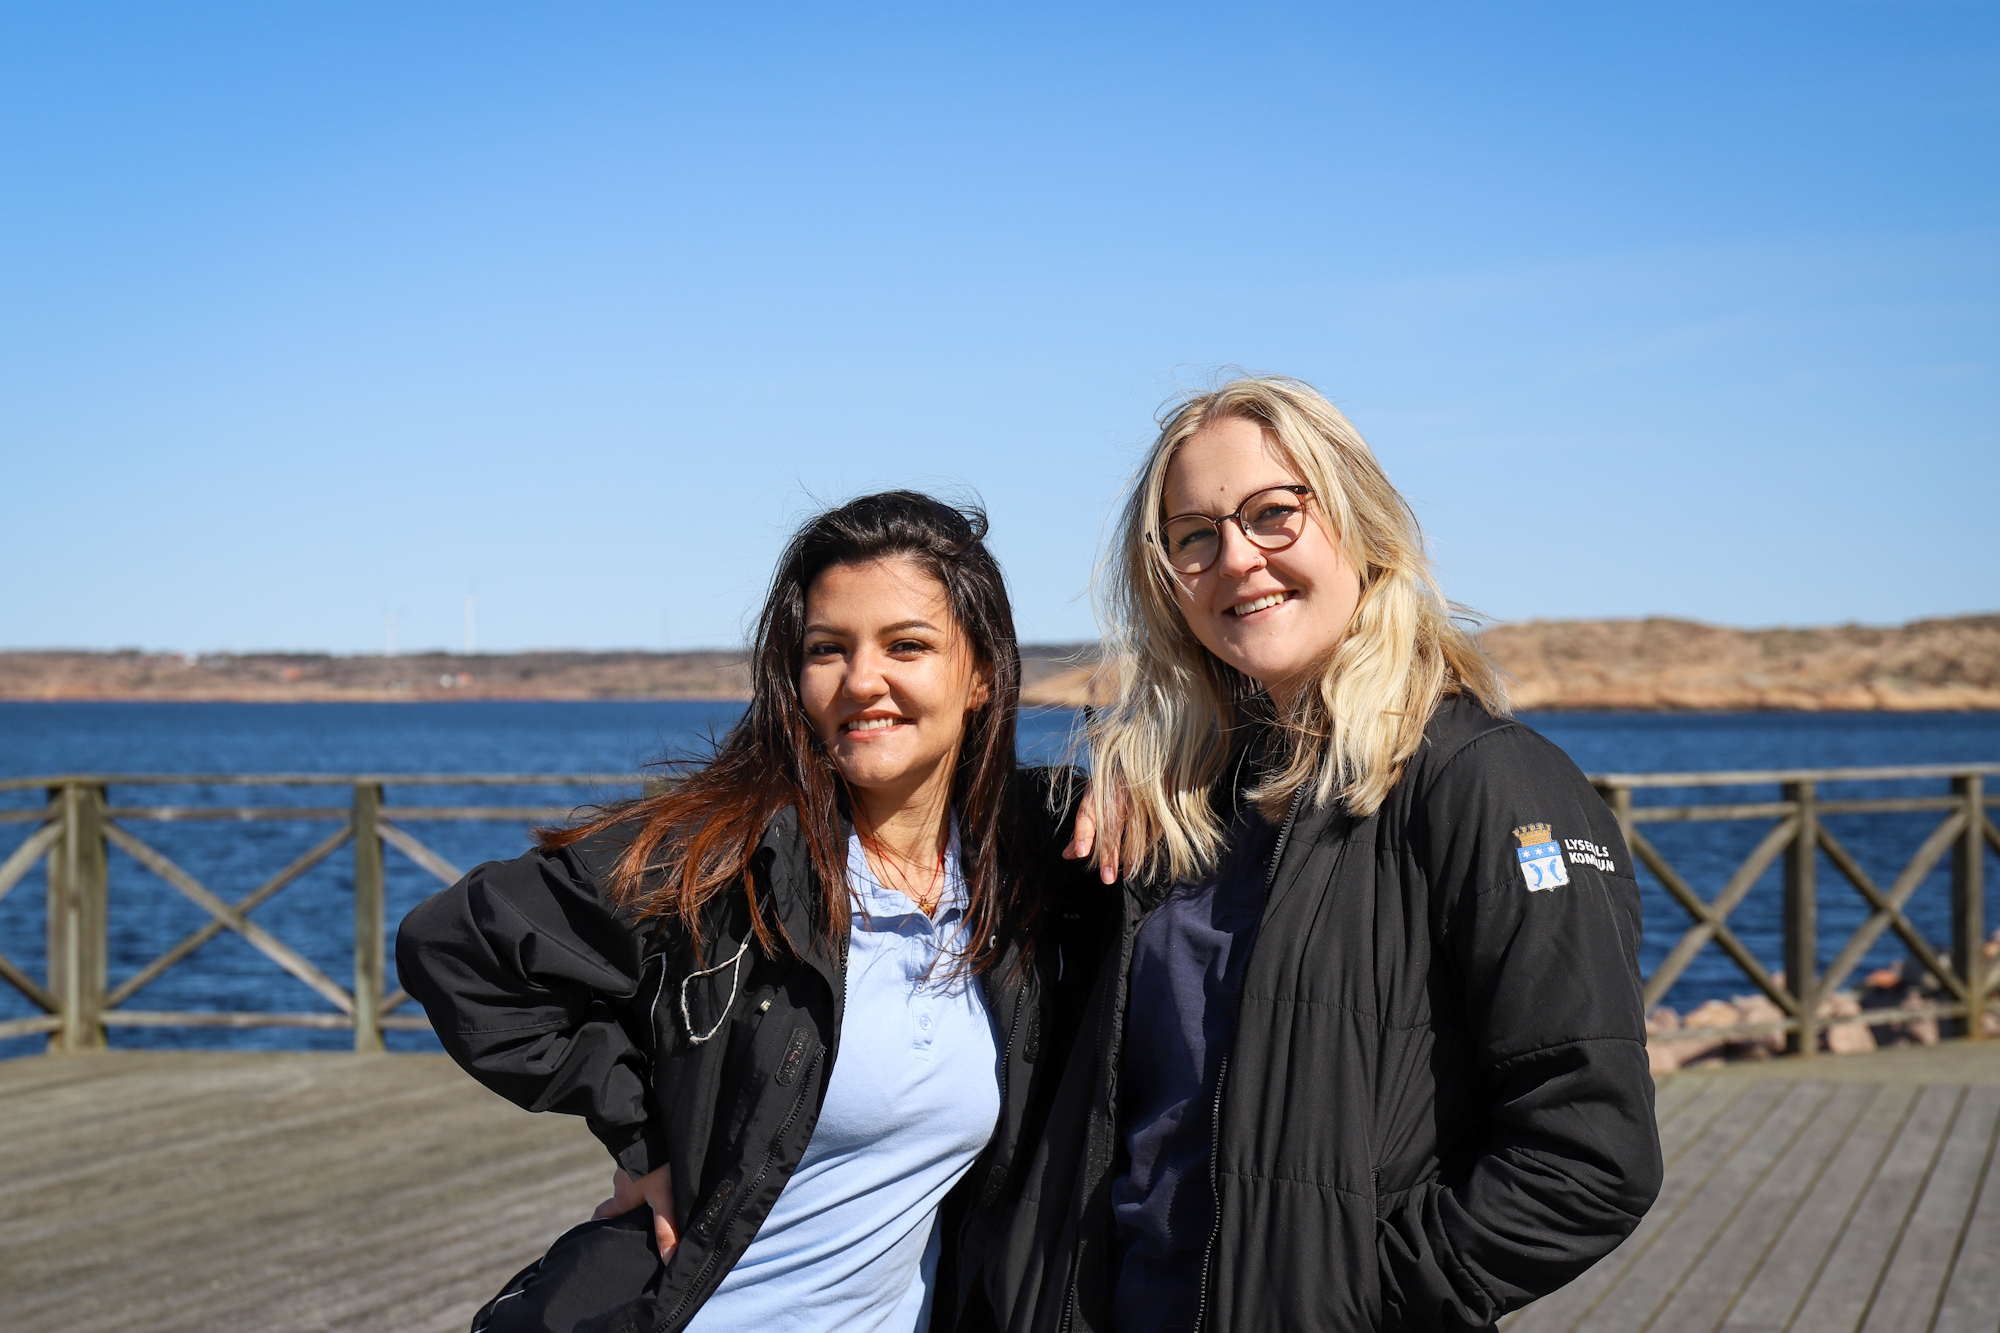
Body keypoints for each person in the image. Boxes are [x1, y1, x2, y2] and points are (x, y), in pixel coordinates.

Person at [989, 377, 1661, 1333]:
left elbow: (1589, 1154)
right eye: (1194, 535)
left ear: (1359, 520)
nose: (1238, 558)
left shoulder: (1485, 781)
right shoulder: (1181, 797)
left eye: (1274, 512)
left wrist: (1350, 1299)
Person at [396, 491, 1110, 1333]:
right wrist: (641, 1133)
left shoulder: (1026, 864)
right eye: (827, 649)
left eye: (906, 645)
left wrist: (1130, 766)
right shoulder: (726, 856)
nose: (862, 680)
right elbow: (457, 945)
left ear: (982, 673)